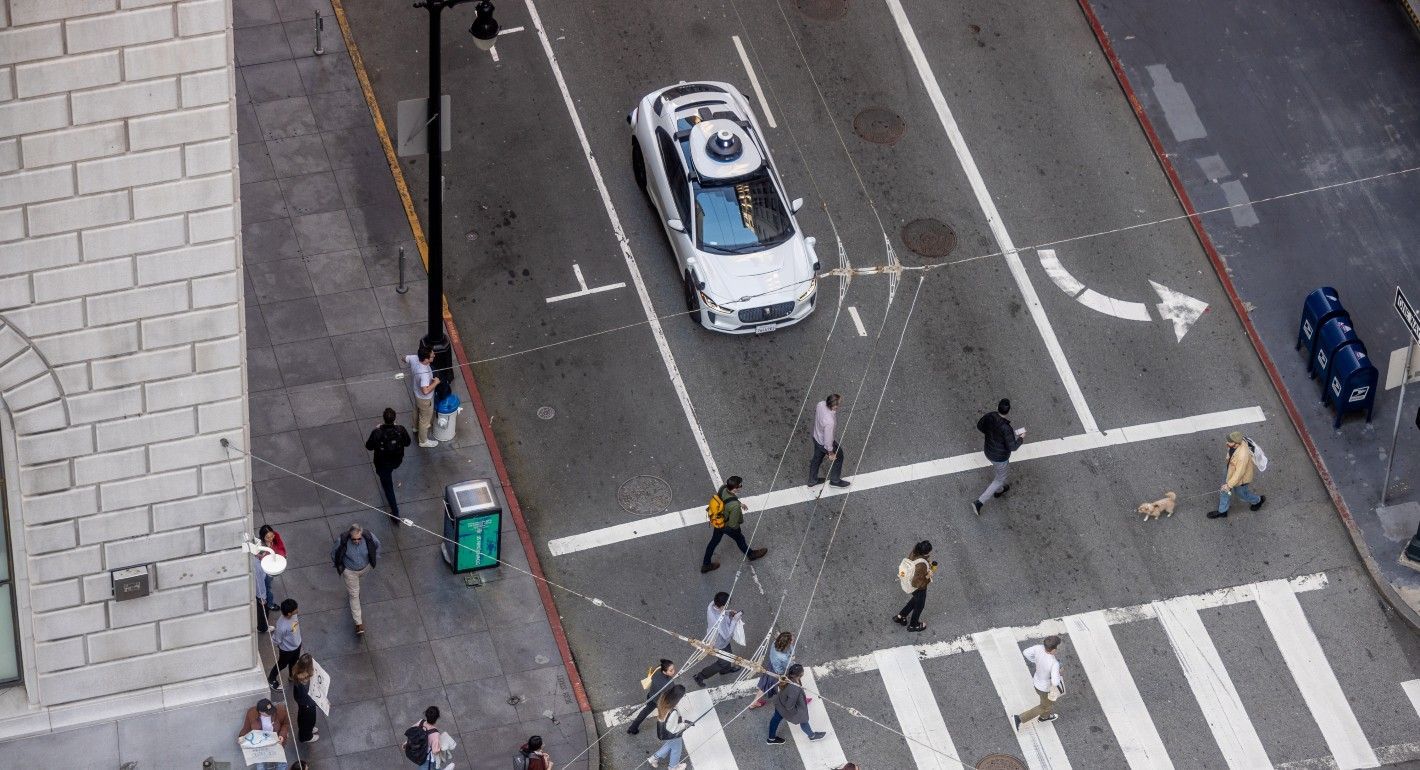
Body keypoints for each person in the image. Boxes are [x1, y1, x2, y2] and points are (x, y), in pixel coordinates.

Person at [700, 476, 767, 573]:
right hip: (727, 526)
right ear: (735, 489)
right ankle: (751, 554)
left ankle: (706, 565)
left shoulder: (723, 488)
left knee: (713, 542)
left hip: (718, 522)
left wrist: (739, 503)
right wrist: (737, 529)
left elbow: (728, 499)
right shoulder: (734, 506)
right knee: (740, 539)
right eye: (740, 485)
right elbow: (733, 524)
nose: (741, 486)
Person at [973, 399, 1024, 515]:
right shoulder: (1006, 428)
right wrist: (1021, 438)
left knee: (999, 475)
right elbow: (1013, 447)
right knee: (1000, 479)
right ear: (1008, 411)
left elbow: (980, 426)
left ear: (998, 407)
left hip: (988, 451)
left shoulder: (990, 416)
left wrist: (992, 435)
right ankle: (979, 502)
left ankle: (999, 490)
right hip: (999, 458)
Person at [331, 522, 380, 635]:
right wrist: (341, 567)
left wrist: (374, 558)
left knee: (356, 590)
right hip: (350, 571)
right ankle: (358, 623)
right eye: (354, 539)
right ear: (350, 536)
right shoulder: (341, 540)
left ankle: (354, 592)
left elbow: (377, 545)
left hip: (365, 568)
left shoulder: (369, 537)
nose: (357, 541)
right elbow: (334, 554)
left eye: (359, 539)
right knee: (354, 595)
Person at [365, 407, 412, 518]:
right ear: (395, 419)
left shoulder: (377, 432)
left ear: (384, 418)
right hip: (396, 460)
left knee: (388, 488)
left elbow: (369, 446)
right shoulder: (400, 430)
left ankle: (395, 513)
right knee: (387, 480)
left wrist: (376, 430)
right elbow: (408, 443)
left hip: (382, 464)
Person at [1013, 635, 1065, 730]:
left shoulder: (1038, 648)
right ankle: (1019, 718)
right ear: (1053, 650)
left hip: (1037, 682)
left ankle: (1044, 717)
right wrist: (1059, 672)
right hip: (1045, 688)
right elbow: (1055, 682)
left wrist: (1035, 661)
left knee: (1048, 704)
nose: (1058, 649)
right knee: (1045, 706)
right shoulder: (1054, 663)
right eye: (1058, 647)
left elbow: (1026, 652)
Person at [1211, 431, 1266, 519]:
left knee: (1241, 494)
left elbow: (1239, 473)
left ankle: (1257, 500)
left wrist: (1229, 485)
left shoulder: (1242, 456)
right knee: (1224, 489)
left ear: (1236, 443)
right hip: (1230, 468)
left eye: (1229, 442)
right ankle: (1222, 511)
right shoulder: (1236, 443)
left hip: (1241, 478)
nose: (1227, 443)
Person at [693, 592, 743, 687]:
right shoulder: (718, 620)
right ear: (722, 606)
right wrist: (734, 621)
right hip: (719, 642)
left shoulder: (711, 605)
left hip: (717, 639)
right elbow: (727, 635)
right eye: (726, 606)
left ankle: (725, 670)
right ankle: (700, 676)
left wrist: (728, 612)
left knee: (729, 655)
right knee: (723, 662)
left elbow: (721, 611)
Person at [767, 664, 826, 744]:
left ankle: (771, 738)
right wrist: (798, 712)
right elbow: (789, 706)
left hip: (780, 703)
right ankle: (812, 736)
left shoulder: (787, 678)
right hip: (785, 707)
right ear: (801, 674)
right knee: (803, 719)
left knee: (775, 720)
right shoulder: (794, 688)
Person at [808, 394, 851, 488]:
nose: (840, 405)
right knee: (839, 456)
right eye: (839, 403)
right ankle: (835, 481)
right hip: (824, 443)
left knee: (816, 459)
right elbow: (828, 440)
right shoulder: (829, 421)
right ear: (834, 406)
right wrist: (830, 453)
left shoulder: (821, 404)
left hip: (816, 437)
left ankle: (812, 480)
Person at [893, 540, 936, 632]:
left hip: (907, 582)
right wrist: (928, 576)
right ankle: (914, 625)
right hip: (918, 588)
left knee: (915, 600)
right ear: (926, 552)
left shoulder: (914, 552)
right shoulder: (922, 565)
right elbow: (916, 583)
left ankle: (901, 616)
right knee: (919, 605)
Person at [646, 684, 691, 769]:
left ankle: (654, 758)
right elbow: (673, 729)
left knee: (670, 745)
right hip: (672, 734)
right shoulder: (673, 712)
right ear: (677, 698)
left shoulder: (664, 698)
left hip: (663, 730)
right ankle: (673, 767)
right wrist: (685, 725)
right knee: (676, 750)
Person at [237, 697, 290, 770]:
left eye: (271, 710)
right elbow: (246, 728)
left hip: (276, 741)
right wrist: (241, 737)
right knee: (261, 765)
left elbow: (286, 724)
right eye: (268, 713)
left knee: (281, 762)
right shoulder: (251, 713)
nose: (271, 713)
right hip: (260, 744)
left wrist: (282, 735)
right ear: (260, 712)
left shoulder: (280, 711)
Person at [628, 659, 676, 735]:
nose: (674, 671)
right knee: (665, 715)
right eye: (671, 670)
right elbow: (670, 695)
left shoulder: (657, 670)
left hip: (651, 696)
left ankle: (633, 727)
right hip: (659, 702)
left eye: (673, 669)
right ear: (664, 671)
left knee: (644, 712)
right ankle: (665, 730)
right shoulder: (669, 683)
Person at [405, 344, 441, 447]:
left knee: (417, 410)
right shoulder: (424, 374)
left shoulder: (414, 358)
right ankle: (423, 441)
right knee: (424, 420)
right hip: (425, 399)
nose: (434, 356)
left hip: (416, 393)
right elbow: (425, 391)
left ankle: (415, 427)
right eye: (432, 356)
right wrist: (436, 383)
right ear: (426, 359)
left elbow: (405, 358)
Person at [750, 631, 795, 708]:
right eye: (791, 640)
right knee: (787, 684)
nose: (793, 639)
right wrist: (792, 659)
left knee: (765, 685)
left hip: (771, 665)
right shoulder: (783, 657)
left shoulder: (775, 643)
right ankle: (795, 700)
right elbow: (790, 666)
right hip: (777, 672)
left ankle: (755, 702)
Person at [403, 705, 455, 770]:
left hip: (417, 753)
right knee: (430, 767)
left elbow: (412, 733)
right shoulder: (435, 733)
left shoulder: (420, 722)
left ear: (426, 714)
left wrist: (406, 743)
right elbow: (435, 751)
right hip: (426, 758)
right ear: (437, 718)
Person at [268, 599, 301, 691]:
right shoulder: (282, 626)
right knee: (281, 664)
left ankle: (291, 676)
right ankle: (271, 679)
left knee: (294, 662)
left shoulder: (293, 616)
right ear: (289, 613)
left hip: (297, 645)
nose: (297, 610)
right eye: (295, 609)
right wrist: (280, 646)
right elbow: (277, 640)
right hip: (287, 650)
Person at [290, 653, 319, 744]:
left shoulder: (296, 669)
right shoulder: (305, 676)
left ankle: (308, 729)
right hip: (307, 702)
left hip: (301, 700)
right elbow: (309, 691)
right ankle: (306, 736)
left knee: (302, 716)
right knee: (308, 718)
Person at [258, 525, 286, 612]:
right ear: (263, 537)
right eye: (267, 537)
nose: (270, 538)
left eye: (272, 536)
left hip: (272, 568)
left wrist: (281, 557)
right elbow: (260, 560)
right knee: (267, 586)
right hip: (266, 571)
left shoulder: (275, 538)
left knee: (267, 585)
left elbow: (281, 548)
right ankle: (269, 603)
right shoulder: (260, 547)